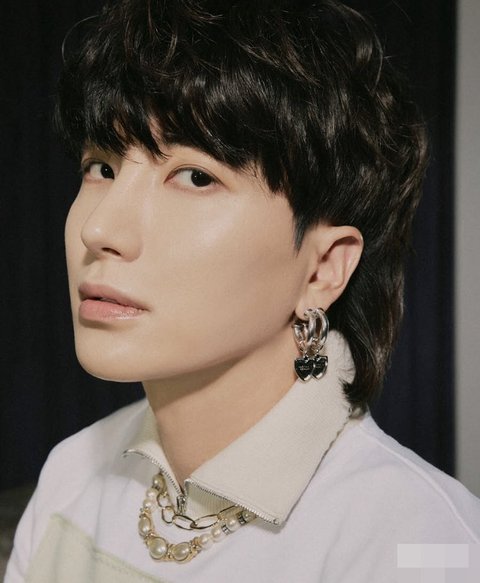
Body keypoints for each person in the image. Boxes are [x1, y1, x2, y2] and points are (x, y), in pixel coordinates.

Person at [6, 0, 480, 581]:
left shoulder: (424, 543)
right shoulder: (71, 475)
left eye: (195, 176)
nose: (99, 229)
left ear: (322, 269)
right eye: (101, 167)